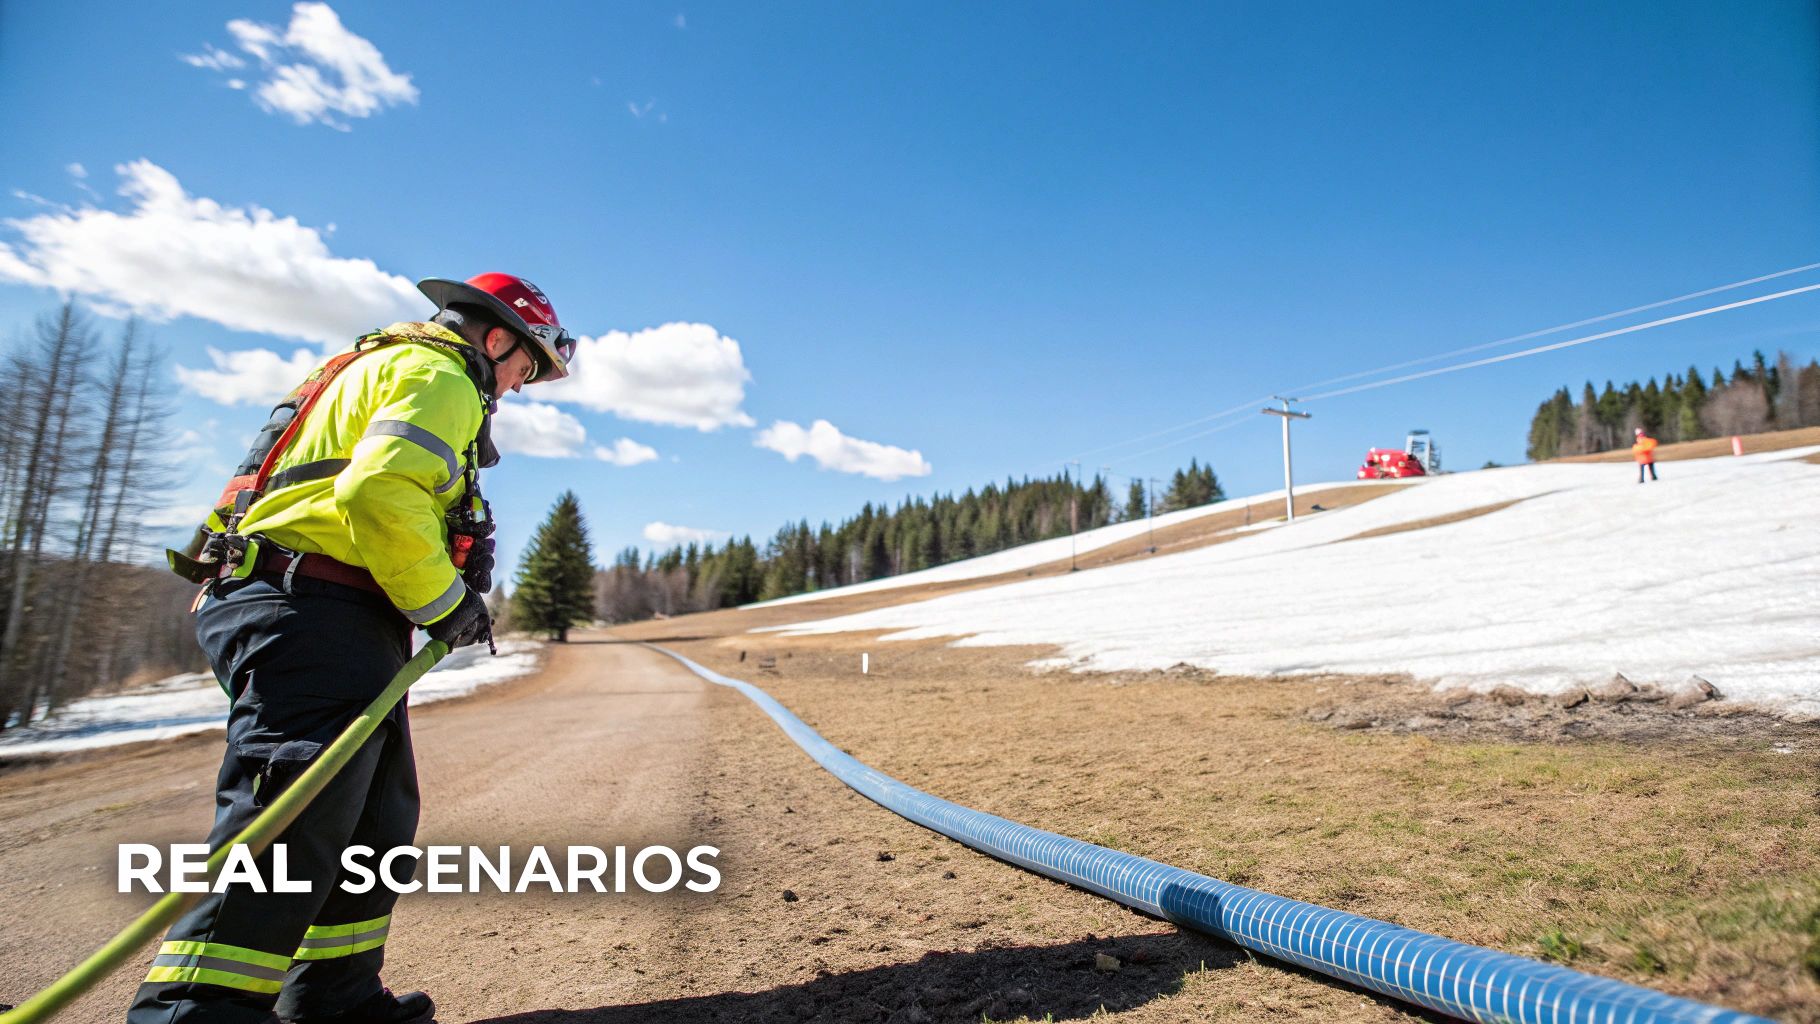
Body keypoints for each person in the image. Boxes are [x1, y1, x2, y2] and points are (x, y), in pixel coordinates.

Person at [132, 274, 576, 1024]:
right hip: (312, 610)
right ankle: (194, 1012)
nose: (519, 388)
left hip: (317, 608)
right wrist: (446, 602)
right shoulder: (443, 374)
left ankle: (333, 996)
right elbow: (377, 491)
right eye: (525, 369)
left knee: (374, 816)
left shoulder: (370, 365)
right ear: (496, 338)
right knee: (289, 821)